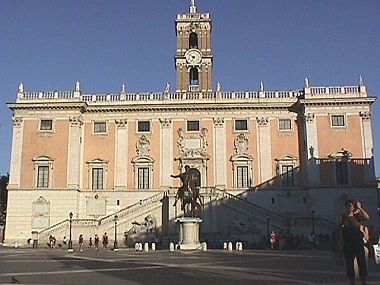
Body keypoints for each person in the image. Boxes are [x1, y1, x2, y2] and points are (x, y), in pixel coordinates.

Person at [337, 200, 370, 285]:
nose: (349, 207)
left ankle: (364, 282)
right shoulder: (343, 217)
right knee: (349, 265)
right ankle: (352, 283)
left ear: (353, 207)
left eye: (350, 206)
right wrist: (340, 246)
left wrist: (360, 208)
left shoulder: (357, 216)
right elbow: (340, 232)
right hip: (348, 244)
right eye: (347, 206)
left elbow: (366, 217)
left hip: (358, 243)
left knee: (362, 263)